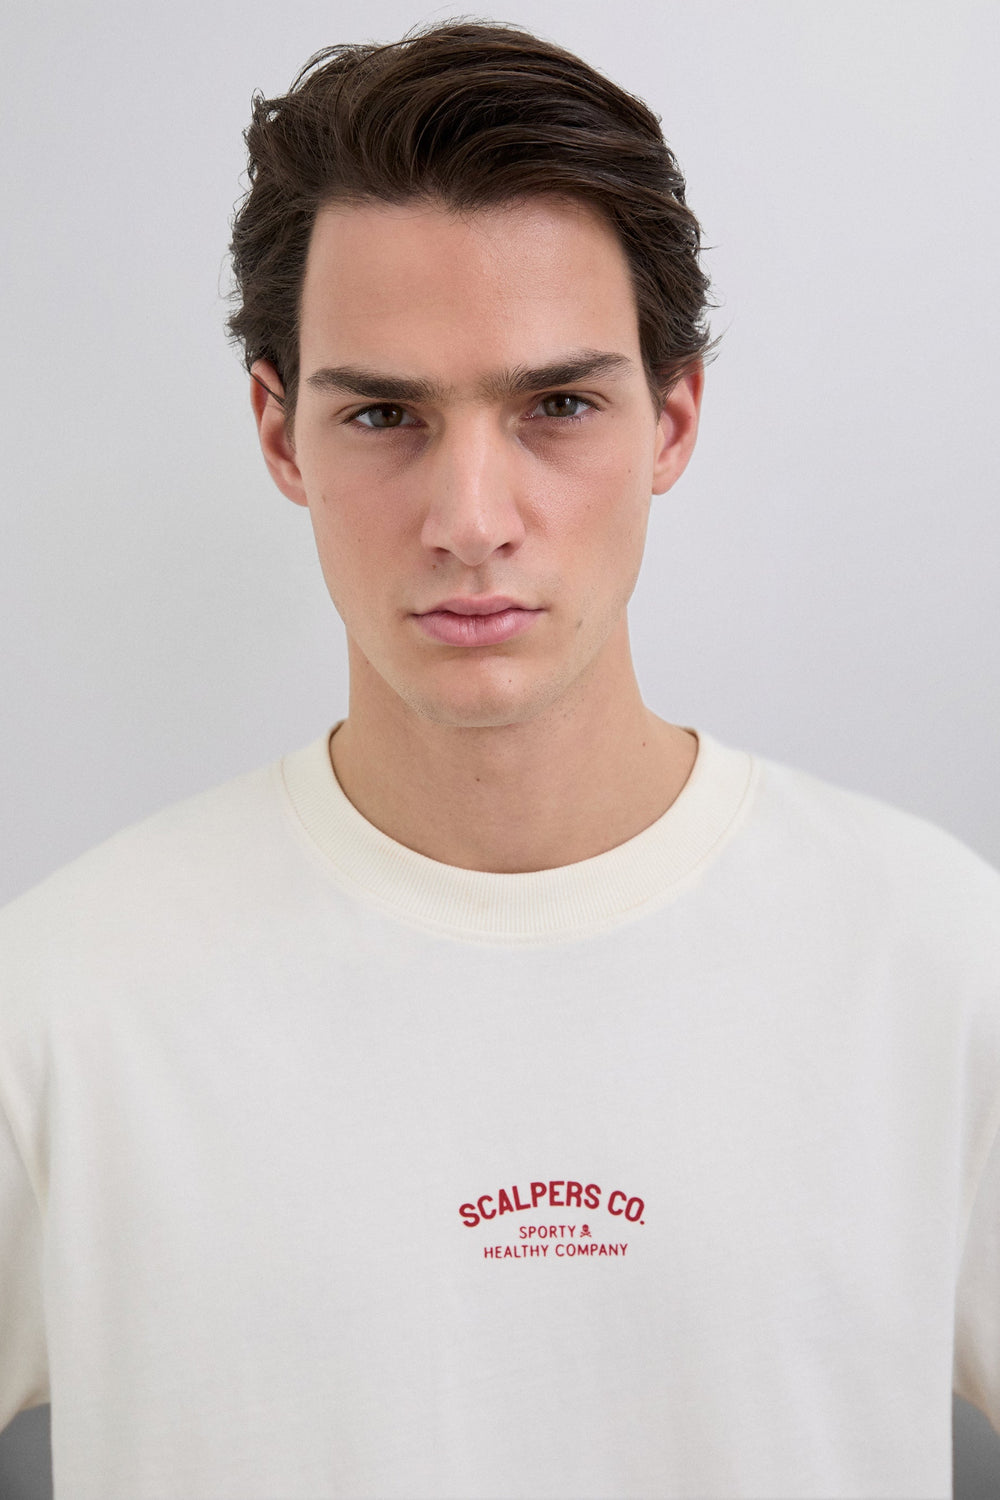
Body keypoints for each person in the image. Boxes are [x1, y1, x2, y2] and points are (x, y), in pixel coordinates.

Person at [1, 19, 998, 1499]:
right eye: (384, 414)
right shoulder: (60, 1006)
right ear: (281, 433)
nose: (472, 518)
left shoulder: (940, 960)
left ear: (673, 419)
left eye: (557, 407)